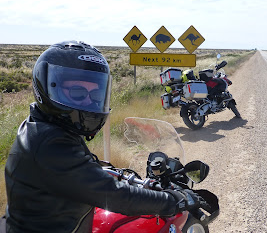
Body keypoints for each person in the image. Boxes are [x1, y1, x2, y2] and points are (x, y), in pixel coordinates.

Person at [4, 41, 204, 232]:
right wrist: (174, 200)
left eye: (96, 95)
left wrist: (111, 171)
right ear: (47, 88)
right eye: (77, 92)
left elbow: (75, 169)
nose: (89, 103)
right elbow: (114, 196)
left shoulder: (43, 126)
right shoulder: (49, 143)